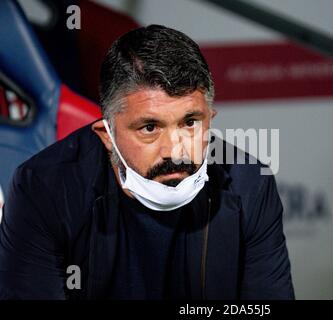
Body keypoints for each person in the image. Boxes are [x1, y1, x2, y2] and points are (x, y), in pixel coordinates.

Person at [0, 25, 294, 300]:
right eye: (150, 128)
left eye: (190, 122)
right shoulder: (43, 188)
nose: (175, 150)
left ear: (210, 119)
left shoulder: (249, 182)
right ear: (107, 135)